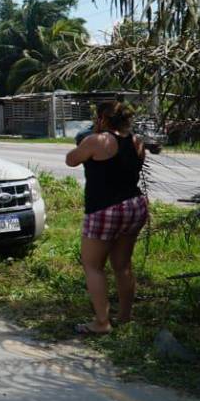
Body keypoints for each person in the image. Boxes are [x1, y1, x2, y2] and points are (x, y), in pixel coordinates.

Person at [64, 101, 148, 335]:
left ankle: (102, 323)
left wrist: (91, 135)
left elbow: (71, 159)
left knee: (93, 266)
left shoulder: (96, 141)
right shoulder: (136, 141)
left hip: (105, 209)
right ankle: (125, 316)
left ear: (102, 119)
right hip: (134, 205)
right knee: (122, 265)